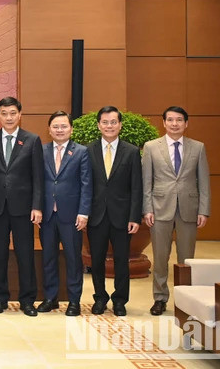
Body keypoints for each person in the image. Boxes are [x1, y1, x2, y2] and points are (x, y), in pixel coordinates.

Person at [142, 106, 210, 316]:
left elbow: (204, 181)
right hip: (160, 208)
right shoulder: (151, 147)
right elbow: (147, 181)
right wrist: (147, 208)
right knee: (160, 257)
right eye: (170, 120)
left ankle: (186, 300)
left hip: (189, 209)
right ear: (163, 123)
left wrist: (204, 210)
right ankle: (160, 298)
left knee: (187, 259)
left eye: (179, 120)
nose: (174, 124)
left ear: (186, 123)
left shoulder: (198, 147)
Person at [0, 96, 43, 317]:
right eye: (4, 113)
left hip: (23, 209)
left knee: (25, 254)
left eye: (12, 113)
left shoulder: (32, 140)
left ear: (20, 115)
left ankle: (27, 301)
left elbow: (38, 177)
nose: (8, 117)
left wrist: (37, 206)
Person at [87, 106, 143, 317]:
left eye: (113, 122)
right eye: (105, 122)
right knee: (97, 260)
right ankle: (100, 297)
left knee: (122, 260)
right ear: (98, 125)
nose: (109, 126)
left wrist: (134, 217)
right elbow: (85, 185)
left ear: (120, 125)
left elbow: (136, 187)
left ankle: (120, 300)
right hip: (96, 214)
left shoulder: (131, 151)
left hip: (122, 216)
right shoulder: (88, 150)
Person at [37, 111, 91, 317]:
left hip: (72, 216)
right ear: (49, 130)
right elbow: (37, 183)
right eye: (55, 127)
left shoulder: (81, 152)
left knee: (73, 259)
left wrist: (84, 213)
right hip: (48, 215)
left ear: (71, 129)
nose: (60, 130)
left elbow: (87, 184)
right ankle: (50, 299)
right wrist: (38, 208)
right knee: (48, 258)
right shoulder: (41, 151)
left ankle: (74, 301)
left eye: (64, 126)